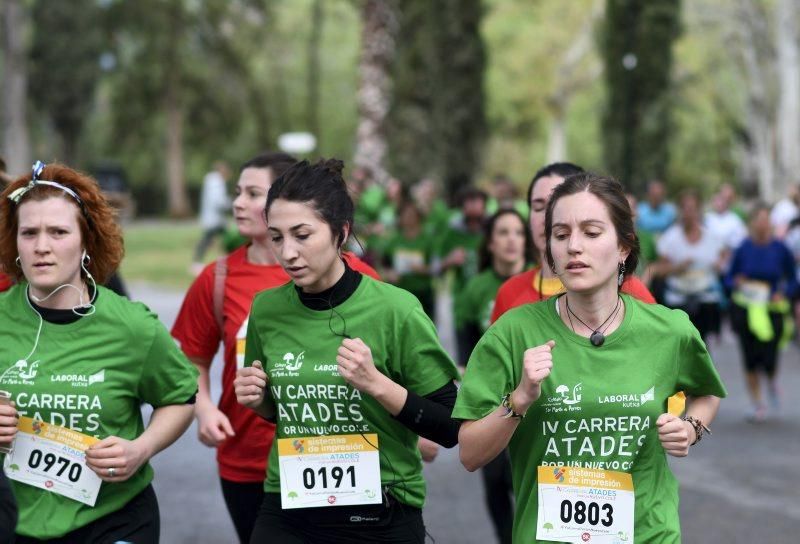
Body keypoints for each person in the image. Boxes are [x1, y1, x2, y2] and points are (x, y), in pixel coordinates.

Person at [455, 172, 727, 544]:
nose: (573, 247)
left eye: (592, 232)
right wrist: (518, 400)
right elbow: (470, 454)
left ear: (623, 247)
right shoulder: (512, 332)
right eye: (561, 235)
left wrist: (691, 428)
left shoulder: (670, 330)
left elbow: (707, 392)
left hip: (648, 533)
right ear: (548, 247)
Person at [234, 158, 461, 543]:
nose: (287, 252)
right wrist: (258, 401)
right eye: (276, 237)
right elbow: (288, 412)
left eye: (302, 235)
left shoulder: (396, 309)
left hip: (380, 513)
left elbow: (451, 426)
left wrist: (377, 384)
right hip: (288, 506)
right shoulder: (266, 309)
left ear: (341, 232)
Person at [172, 151, 381, 544]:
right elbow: (192, 358)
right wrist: (204, 409)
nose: (238, 203)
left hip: (339, 453)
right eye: (237, 192)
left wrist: (413, 426)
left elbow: (388, 361)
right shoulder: (216, 278)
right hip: (247, 461)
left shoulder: (358, 275)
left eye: (253, 193)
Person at [0, 162, 198, 542]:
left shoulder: (132, 326)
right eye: (29, 233)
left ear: (86, 240)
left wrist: (142, 448)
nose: (42, 246)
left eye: (58, 232)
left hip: (114, 519)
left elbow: (180, 397)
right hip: (17, 520)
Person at [491, 163, 655, 324]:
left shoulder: (631, 291)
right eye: (538, 207)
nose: (547, 218)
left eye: (591, 233)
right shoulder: (510, 293)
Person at [455, 208, 530, 544]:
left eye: (518, 232)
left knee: (527, 482)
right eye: (503, 232)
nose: (512, 240)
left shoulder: (540, 284)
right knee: (496, 481)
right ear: (490, 242)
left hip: (536, 400)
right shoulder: (476, 289)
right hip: (492, 402)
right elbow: (466, 348)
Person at [726, 203, 798, 422]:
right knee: (749, 356)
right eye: (759, 219)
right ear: (752, 223)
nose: (763, 223)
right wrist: (736, 282)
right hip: (746, 308)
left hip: (771, 309)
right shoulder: (743, 248)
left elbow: (793, 279)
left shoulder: (780, 248)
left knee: (769, 356)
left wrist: (784, 294)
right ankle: (757, 403)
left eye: (766, 219)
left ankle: (772, 379)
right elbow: (728, 278)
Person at [655, 190, 727, 342]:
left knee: (702, 344)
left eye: (692, 209)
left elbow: (724, 263)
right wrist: (677, 268)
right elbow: (659, 270)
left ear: (699, 211)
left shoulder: (711, 237)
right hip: (678, 299)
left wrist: (719, 265)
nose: (689, 213)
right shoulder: (670, 238)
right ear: (680, 211)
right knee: (682, 344)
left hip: (705, 299)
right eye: (685, 209)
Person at [381, 200, 435, 318]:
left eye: (411, 214)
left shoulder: (428, 240)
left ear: (418, 217)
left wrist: (423, 270)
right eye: (403, 214)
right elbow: (383, 265)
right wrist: (389, 274)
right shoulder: (394, 241)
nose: (407, 218)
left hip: (423, 294)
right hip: (400, 293)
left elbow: (437, 267)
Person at [193, 160, 232, 271]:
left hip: (215, 219)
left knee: (216, 239)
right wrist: (229, 203)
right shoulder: (216, 182)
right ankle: (196, 263)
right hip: (214, 219)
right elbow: (217, 201)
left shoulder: (212, 180)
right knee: (208, 240)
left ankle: (198, 262)